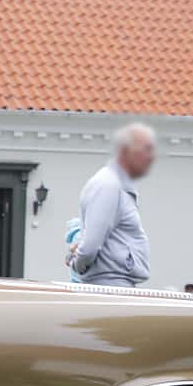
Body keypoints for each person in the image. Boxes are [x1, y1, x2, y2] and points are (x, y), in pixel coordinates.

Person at [66, 123, 154, 287]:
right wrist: (77, 265)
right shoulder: (109, 184)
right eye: (145, 150)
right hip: (110, 286)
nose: (151, 158)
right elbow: (91, 244)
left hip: (115, 283)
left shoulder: (118, 183)